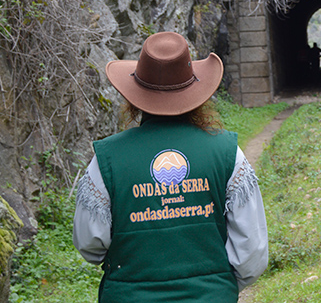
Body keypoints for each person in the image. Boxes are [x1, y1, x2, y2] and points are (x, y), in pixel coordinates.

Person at [73, 31, 268, 302]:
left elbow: (89, 245)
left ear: (134, 96)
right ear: (196, 91)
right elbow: (251, 250)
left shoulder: (107, 159)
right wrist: (218, 286)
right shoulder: (227, 153)